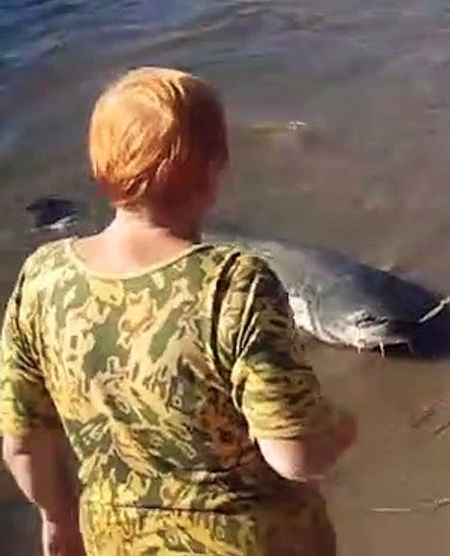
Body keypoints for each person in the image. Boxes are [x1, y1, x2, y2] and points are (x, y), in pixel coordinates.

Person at [0, 67, 355, 555]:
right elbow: (296, 455)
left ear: (101, 165)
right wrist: (341, 426)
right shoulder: (235, 284)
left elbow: (22, 442)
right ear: (211, 171)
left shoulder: (41, 277)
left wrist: (59, 520)